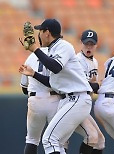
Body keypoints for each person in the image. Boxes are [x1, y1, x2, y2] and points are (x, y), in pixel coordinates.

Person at [19, 18, 93, 154]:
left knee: (48, 139)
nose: (39, 35)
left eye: (40, 31)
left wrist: (35, 49)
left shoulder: (64, 46)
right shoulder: (53, 50)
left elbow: (56, 67)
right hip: (69, 99)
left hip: (76, 98)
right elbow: (52, 82)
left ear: (47, 32)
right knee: (56, 142)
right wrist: (34, 74)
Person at [20, 46, 66, 154]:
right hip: (54, 99)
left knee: (31, 140)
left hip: (35, 99)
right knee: (57, 142)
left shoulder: (31, 57)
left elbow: (24, 88)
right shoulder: (58, 55)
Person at [74, 29, 105, 154]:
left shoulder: (95, 62)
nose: (89, 47)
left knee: (100, 141)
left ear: (96, 45)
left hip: (83, 105)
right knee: (92, 137)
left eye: (91, 44)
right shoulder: (77, 60)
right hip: (73, 103)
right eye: (86, 43)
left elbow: (93, 86)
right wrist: (97, 85)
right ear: (81, 43)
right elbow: (84, 86)